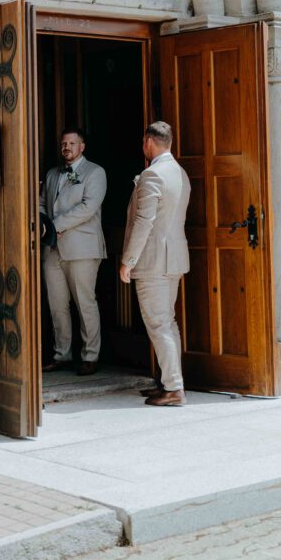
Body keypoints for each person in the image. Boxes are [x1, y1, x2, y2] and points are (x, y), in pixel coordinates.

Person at [120, 121, 191, 406]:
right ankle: (169, 382)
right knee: (167, 322)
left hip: (152, 261)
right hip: (173, 259)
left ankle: (174, 388)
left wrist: (128, 260)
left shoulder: (152, 175)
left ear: (148, 142)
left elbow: (144, 222)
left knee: (159, 324)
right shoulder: (180, 173)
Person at [40, 128, 107, 376]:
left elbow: (89, 208)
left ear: (82, 147)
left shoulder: (95, 172)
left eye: (71, 143)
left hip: (82, 248)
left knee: (85, 302)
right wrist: (44, 224)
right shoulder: (51, 174)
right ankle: (62, 354)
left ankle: (91, 355)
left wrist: (57, 225)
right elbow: (42, 202)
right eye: (63, 143)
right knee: (57, 305)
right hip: (52, 248)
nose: (66, 147)